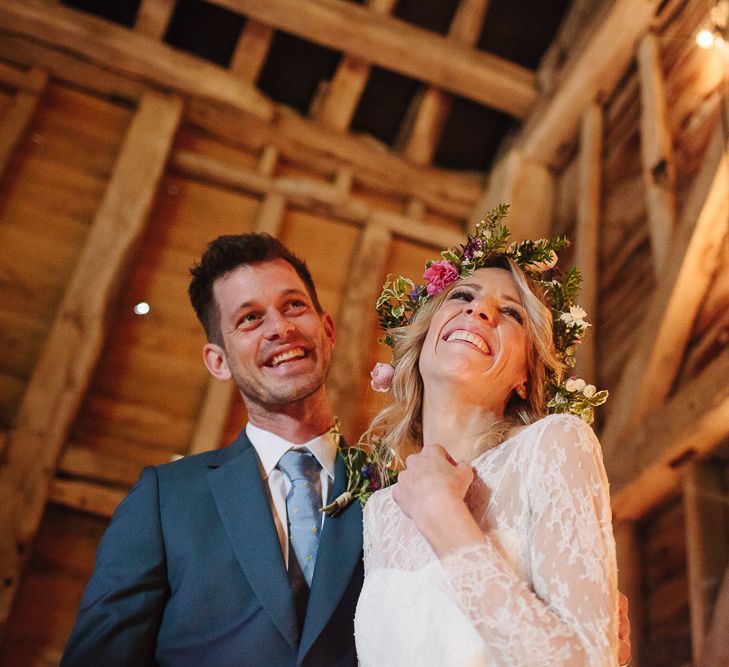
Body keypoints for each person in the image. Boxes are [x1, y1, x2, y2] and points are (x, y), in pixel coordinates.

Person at [62, 234, 363, 666]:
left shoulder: (393, 488)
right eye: (250, 319)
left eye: (294, 305)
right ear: (218, 361)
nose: (280, 328)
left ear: (327, 330)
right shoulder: (165, 500)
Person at [354, 211, 620, 666]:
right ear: (422, 341)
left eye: (511, 312)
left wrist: (442, 513)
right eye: (463, 295)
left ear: (525, 373)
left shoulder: (554, 446)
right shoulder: (380, 511)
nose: (481, 310)